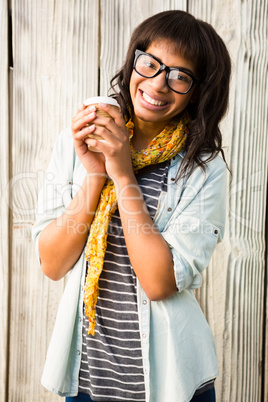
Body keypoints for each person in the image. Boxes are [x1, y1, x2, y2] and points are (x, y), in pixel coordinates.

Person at [32, 9, 231, 402]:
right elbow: (52, 264)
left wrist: (122, 176)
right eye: (151, 63)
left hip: (170, 382)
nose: (158, 84)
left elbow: (158, 283)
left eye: (180, 75)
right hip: (87, 377)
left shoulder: (205, 170)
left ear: (200, 89)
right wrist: (94, 175)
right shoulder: (81, 141)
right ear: (133, 60)